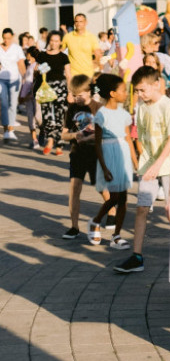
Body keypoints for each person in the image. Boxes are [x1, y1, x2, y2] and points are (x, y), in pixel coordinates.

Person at [115, 65, 170, 273]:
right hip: (149, 165)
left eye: (143, 90)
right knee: (142, 208)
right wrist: (142, 164)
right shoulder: (141, 107)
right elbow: (140, 137)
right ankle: (137, 256)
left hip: (169, 164)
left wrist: (159, 164)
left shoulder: (169, 106)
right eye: (137, 91)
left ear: (156, 85)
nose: (139, 94)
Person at [88, 74, 136, 250]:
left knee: (123, 198)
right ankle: (96, 221)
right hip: (109, 156)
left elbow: (128, 138)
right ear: (113, 93)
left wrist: (136, 162)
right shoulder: (102, 114)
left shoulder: (123, 114)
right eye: (123, 90)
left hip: (122, 154)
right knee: (114, 196)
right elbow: (98, 143)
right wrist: (104, 166)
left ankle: (116, 235)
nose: (126, 93)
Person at [59, 75, 102, 240]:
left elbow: (104, 133)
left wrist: (90, 137)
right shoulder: (71, 109)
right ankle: (74, 227)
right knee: (74, 189)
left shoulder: (98, 108)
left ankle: (112, 217)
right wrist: (77, 135)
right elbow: (64, 135)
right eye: (74, 95)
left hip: (96, 154)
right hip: (77, 153)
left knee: (102, 189)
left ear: (89, 92)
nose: (76, 98)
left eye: (80, 95)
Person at [0, 28, 26, 142]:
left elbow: (21, 64)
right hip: (1, 79)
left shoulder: (17, 48)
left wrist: (25, 79)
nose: (6, 40)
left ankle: (10, 130)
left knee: (13, 104)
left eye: (9, 38)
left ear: (12, 37)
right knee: (4, 104)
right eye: (4, 38)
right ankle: (6, 130)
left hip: (14, 79)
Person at [61, 13, 102, 81]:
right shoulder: (68, 37)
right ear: (74, 23)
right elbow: (60, 52)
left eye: (81, 21)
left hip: (88, 74)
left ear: (86, 22)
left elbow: (98, 54)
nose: (78, 24)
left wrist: (96, 65)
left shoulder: (92, 37)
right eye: (76, 21)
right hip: (72, 74)